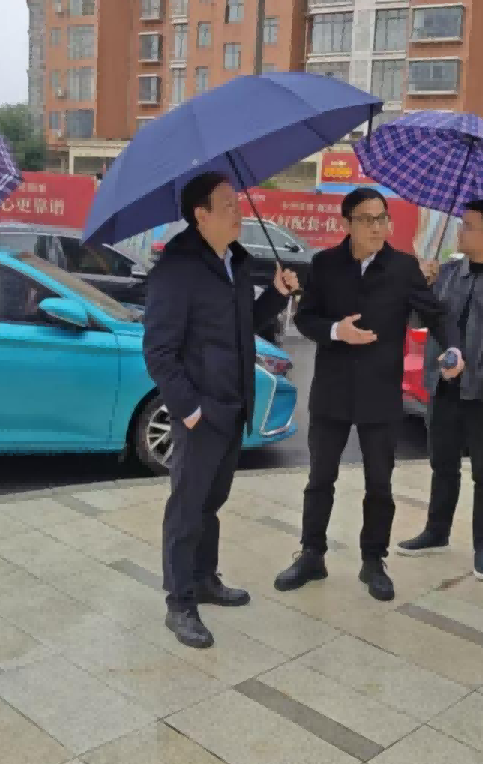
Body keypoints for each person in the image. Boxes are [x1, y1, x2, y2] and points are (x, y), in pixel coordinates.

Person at [273, 188, 456, 601]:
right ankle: (311, 554)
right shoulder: (325, 264)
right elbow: (306, 319)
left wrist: (454, 349)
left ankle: (373, 561)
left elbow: (436, 316)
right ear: (347, 223)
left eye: (382, 218)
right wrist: (337, 331)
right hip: (332, 391)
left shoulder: (404, 268)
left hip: (380, 392)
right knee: (320, 479)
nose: (377, 227)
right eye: (367, 219)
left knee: (380, 484)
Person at [144, 171, 299, 649]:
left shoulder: (234, 260)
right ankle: (180, 603)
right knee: (187, 509)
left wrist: (276, 293)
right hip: (201, 411)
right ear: (201, 215)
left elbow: (242, 323)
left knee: (211, 503)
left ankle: (205, 579)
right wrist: (189, 410)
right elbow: (159, 351)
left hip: (234, 405)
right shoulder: (177, 270)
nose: (239, 212)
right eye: (228, 205)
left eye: (237, 203)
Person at [395, 199, 483, 581]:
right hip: (444, 388)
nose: (460, 231)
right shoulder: (446, 274)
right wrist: (420, 287)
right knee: (442, 465)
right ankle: (436, 531)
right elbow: (417, 319)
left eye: (468, 225)